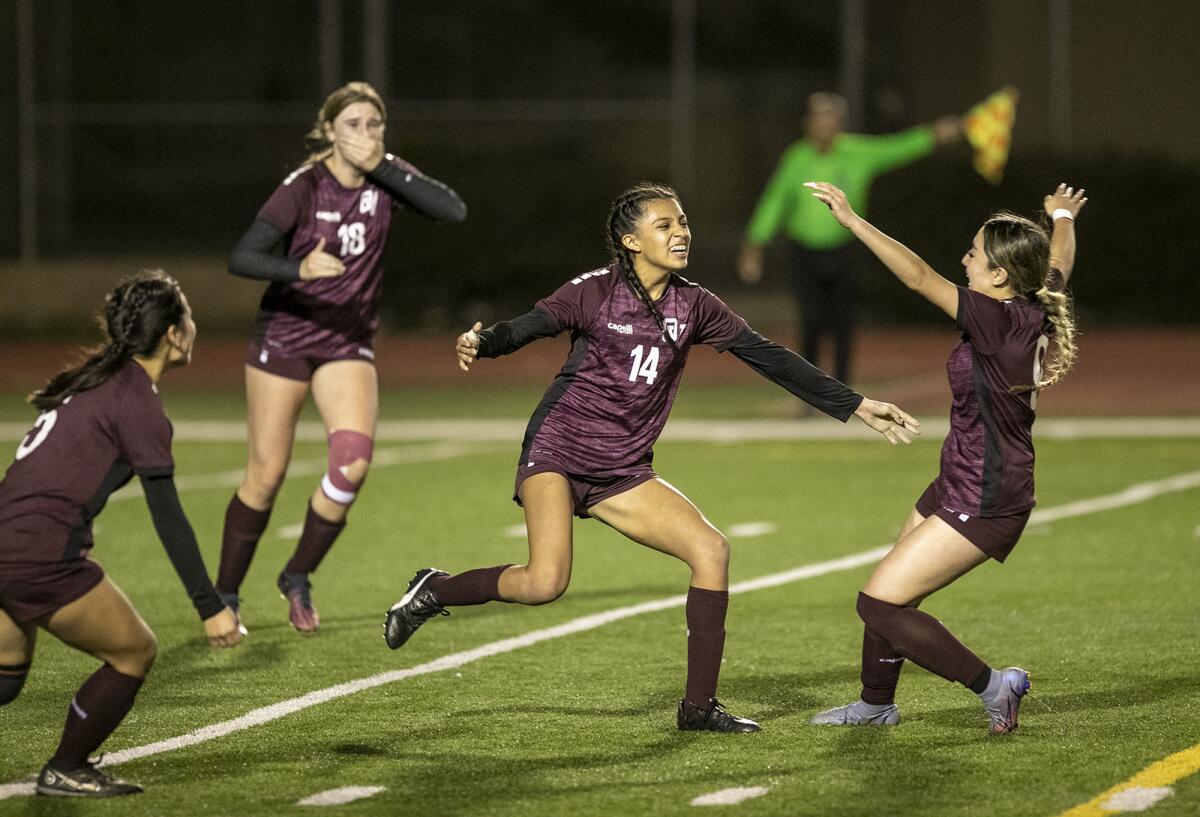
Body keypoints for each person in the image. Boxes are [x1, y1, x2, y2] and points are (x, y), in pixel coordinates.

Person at [382, 182, 920, 733]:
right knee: (545, 582)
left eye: (682, 222)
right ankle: (435, 589)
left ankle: (698, 710)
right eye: (665, 225)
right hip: (559, 450)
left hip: (623, 468)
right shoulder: (596, 291)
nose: (681, 232)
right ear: (630, 240)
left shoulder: (696, 305)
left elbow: (770, 358)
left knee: (711, 550)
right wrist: (486, 341)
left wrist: (855, 405)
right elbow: (531, 325)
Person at [803, 181, 1085, 734]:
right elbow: (1058, 264)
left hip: (986, 494)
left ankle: (994, 685)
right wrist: (1059, 216)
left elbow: (916, 276)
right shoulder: (1031, 302)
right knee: (890, 586)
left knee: (879, 604)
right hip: (964, 479)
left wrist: (853, 220)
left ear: (1000, 275)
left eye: (975, 253)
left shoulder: (994, 318)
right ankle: (876, 704)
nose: (966, 258)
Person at [215, 81, 467, 633]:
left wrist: (386, 166)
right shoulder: (304, 186)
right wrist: (297, 269)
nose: (366, 135)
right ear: (328, 131)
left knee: (351, 463)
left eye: (374, 125)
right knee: (266, 475)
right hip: (285, 334)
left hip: (345, 340)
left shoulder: (386, 176)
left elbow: (452, 210)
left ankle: (297, 575)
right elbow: (243, 257)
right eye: (353, 125)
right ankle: (225, 597)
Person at [0, 271, 242, 797]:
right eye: (189, 316)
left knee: (6, 677)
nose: (194, 325)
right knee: (134, 652)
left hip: (5, 544)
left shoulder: (94, 378)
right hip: (40, 556)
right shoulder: (136, 400)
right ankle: (67, 767)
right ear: (175, 334)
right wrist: (210, 606)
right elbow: (167, 515)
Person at [739, 92, 962, 386]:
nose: (825, 123)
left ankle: (842, 389)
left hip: (845, 249)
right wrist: (755, 244)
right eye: (819, 117)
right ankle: (809, 388)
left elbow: (897, 148)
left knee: (843, 321)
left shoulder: (857, 152)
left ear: (840, 122)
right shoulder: (797, 156)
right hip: (804, 250)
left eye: (831, 116)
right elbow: (775, 201)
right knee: (811, 320)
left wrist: (934, 135)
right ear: (808, 123)